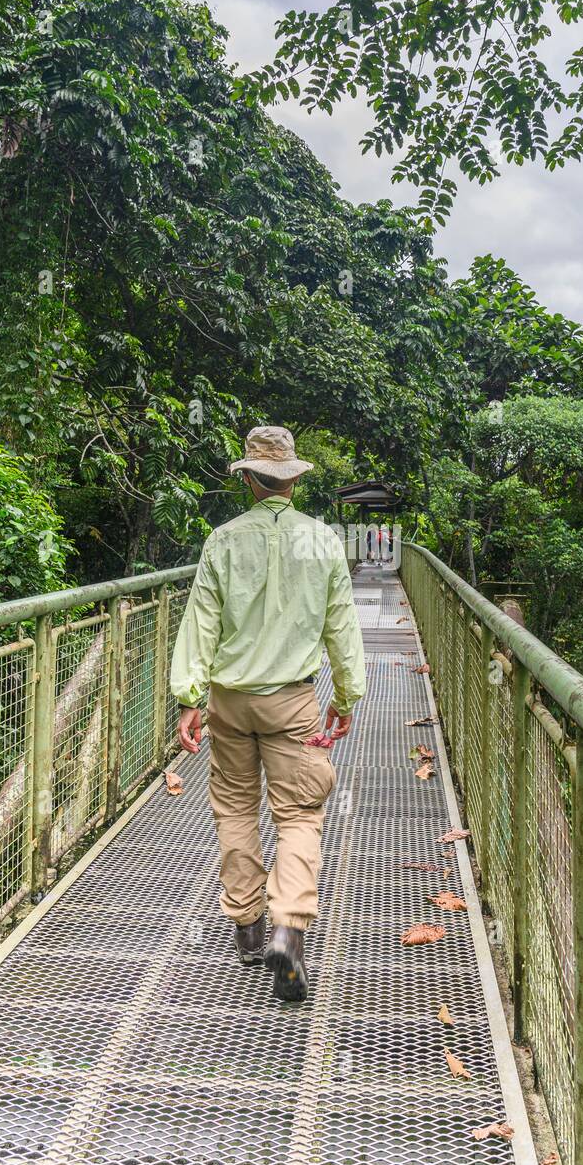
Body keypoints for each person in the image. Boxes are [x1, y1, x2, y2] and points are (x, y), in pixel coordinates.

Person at [170, 426, 365, 1003]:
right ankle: (288, 929)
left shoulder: (222, 541)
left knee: (234, 808)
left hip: (229, 702)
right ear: (294, 481)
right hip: (294, 703)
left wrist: (189, 697)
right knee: (300, 815)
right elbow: (341, 626)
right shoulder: (323, 541)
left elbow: (201, 622)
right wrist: (346, 697)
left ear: (249, 480)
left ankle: (248, 928)